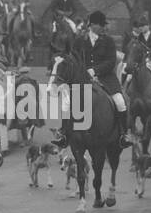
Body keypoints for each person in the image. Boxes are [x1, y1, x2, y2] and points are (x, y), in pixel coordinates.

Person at [54, 10, 132, 148]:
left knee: (120, 102)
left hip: (106, 78)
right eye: (100, 25)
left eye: (103, 25)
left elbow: (111, 61)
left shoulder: (108, 41)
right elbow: (73, 59)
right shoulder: (79, 41)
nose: (103, 27)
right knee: (66, 102)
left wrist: (95, 70)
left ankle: (124, 134)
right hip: (82, 79)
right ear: (92, 25)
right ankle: (63, 133)